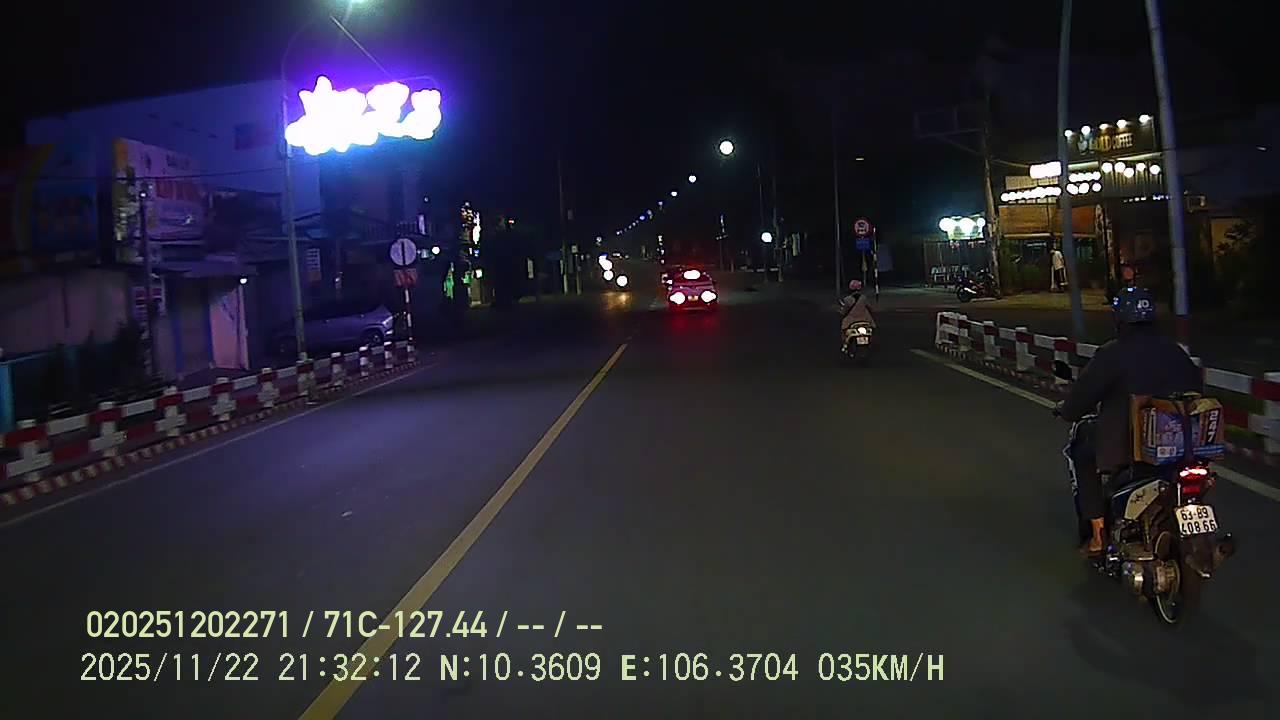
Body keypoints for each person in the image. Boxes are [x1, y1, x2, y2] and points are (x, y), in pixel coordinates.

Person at [1055, 287, 1202, 556]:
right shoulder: (1175, 352)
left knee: (1082, 451)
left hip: (1127, 445)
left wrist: (1067, 410)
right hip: (1183, 443)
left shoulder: (1112, 353)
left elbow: (1081, 398)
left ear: (1119, 319)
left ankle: (1098, 536)